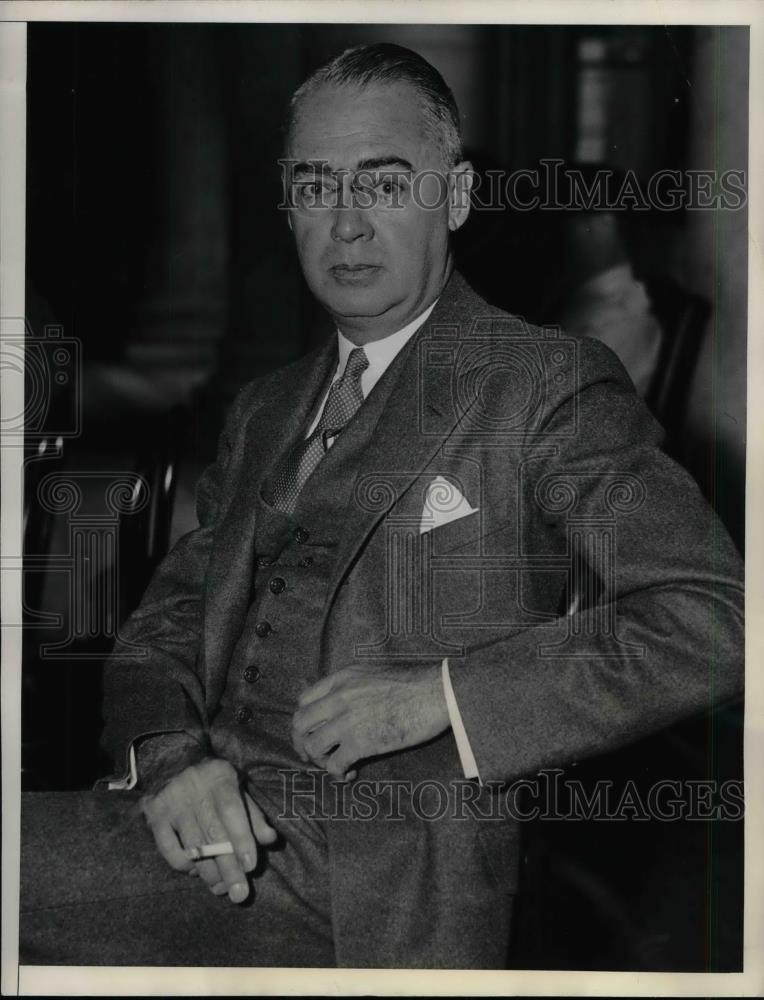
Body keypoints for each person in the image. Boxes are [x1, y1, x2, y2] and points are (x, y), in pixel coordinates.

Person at [20, 43, 744, 970]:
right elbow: (170, 614)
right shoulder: (269, 407)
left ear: (457, 198)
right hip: (198, 827)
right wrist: (170, 758)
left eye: (384, 182)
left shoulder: (540, 384)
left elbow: (718, 617)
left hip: (375, 871)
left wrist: (439, 698)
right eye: (317, 187)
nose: (347, 223)